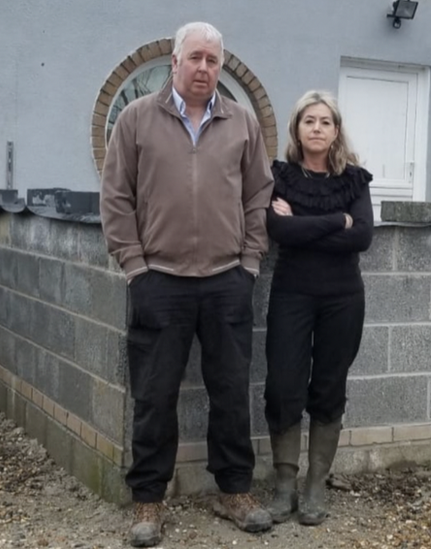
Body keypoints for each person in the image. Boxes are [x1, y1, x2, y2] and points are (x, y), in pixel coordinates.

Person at [99, 21, 274, 548]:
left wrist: (248, 263)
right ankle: (149, 499)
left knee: (231, 391)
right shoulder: (135, 119)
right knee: (154, 396)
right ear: (174, 62)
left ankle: (234, 491)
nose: (204, 68)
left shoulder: (241, 122)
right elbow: (116, 198)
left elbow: (258, 196)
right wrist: (134, 265)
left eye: (212, 60)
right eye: (195, 58)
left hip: (226, 281)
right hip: (159, 281)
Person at [263, 91, 373, 526]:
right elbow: (277, 230)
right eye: (309, 120)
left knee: (328, 388)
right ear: (297, 128)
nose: (317, 128)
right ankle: (285, 485)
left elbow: (361, 237)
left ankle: (315, 486)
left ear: (336, 131)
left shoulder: (354, 181)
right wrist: (334, 221)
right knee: (283, 387)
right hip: (291, 294)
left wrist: (301, 224)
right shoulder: (280, 177)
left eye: (325, 122)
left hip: (343, 298)